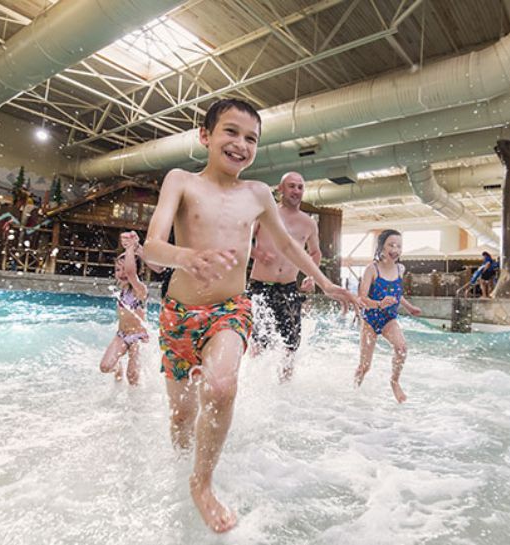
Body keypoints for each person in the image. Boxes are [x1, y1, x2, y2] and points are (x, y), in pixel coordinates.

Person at [143, 98, 359, 534]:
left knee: (222, 387)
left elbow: (290, 247)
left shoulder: (258, 194)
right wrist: (187, 257)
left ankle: (201, 483)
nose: (241, 144)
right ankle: (180, 464)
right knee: (182, 417)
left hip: (230, 310)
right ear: (205, 136)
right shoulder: (181, 181)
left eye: (251, 138)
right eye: (230, 132)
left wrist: (327, 281)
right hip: (179, 314)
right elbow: (151, 247)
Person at [247, 171, 321, 381]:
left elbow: (315, 252)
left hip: (289, 287)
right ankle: (252, 382)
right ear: (280, 189)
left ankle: (284, 386)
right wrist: (258, 254)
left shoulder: (308, 223)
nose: (296, 191)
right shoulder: (265, 214)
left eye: (300, 187)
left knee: (291, 343)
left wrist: (311, 275)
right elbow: (243, 239)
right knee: (258, 340)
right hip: (260, 286)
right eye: (291, 186)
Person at [355, 229, 422, 404]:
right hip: (370, 319)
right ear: (381, 247)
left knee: (401, 348)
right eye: (391, 245)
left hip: (389, 320)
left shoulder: (401, 269)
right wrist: (379, 303)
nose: (395, 249)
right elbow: (362, 298)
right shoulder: (372, 269)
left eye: (399, 246)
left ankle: (394, 381)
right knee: (365, 366)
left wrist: (409, 307)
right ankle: (354, 391)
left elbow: (397, 294)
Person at [99, 242, 148, 386]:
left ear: (136, 271)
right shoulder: (120, 289)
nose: (121, 274)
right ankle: (118, 366)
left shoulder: (141, 291)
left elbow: (132, 274)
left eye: (125, 269)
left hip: (138, 337)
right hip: (121, 335)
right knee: (105, 367)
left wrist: (130, 250)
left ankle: (134, 403)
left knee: (132, 375)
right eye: (117, 269)